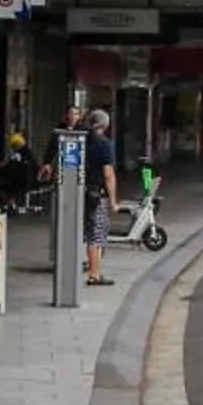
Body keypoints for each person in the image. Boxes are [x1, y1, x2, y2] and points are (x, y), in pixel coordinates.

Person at [83, 107, 119, 285]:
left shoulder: (82, 140)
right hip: (97, 194)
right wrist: (113, 201)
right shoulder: (104, 144)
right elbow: (108, 174)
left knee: (90, 232)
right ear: (105, 125)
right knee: (97, 234)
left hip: (80, 192)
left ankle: (93, 269)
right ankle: (94, 273)